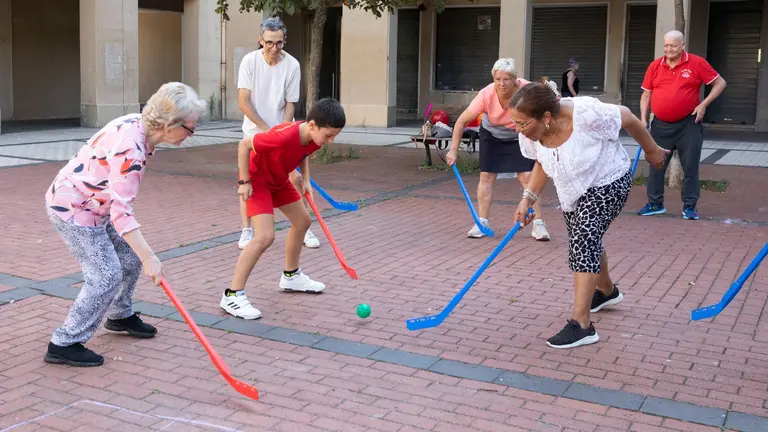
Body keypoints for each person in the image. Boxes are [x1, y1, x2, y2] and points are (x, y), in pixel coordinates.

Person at [43, 82, 207, 367]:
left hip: (96, 205)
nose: (192, 134)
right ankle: (64, 342)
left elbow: (118, 208)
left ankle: (119, 315)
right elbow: (122, 214)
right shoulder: (130, 148)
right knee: (105, 275)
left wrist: (141, 255)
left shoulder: (140, 127)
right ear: (169, 125)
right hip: (73, 209)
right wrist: (150, 257)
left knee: (128, 260)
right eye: (190, 128)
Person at [510, 78, 668, 349]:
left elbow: (629, 118)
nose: (518, 129)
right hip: (573, 189)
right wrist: (528, 198)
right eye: (515, 123)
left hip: (609, 180)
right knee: (587, 240)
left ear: (546, 117)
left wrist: (652, 151)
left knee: (584, 239)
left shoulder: (586, 115)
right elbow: (542, 162)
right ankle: (606, 291)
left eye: (522, 123)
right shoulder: (532, 134)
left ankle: (581, 325)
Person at [220, 98, 346, 320]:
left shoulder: (314, 136)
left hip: (279, 181)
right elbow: (244, 146)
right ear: (313, 125)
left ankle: (291, 275)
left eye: (334, 135)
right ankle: (232, 294)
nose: (330, 141)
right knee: (265, 236)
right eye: (329, 135)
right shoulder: (282, 136)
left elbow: (304, 153)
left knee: (303, 222)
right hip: (258, 182)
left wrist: (305, 178)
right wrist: (244, 182)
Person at [236, 16, 320, 249]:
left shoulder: (292, 64)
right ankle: (246, 230)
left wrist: (283, 131)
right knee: (249, 179)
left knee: (295, 177)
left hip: (283, 130)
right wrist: (266, 131)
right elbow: (243, 101)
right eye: (269, 42)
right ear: (260, 40)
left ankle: (303, 228)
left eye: (279, 43)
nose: (274, 48)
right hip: (255, 132)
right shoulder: (249, 62)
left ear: (285, 41)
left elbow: (290, 103)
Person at [447, 58, 551, 241]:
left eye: (506, 79)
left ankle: (538, 224)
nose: (501, 84)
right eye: (497, 79)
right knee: (486, 176)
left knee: (527, 177)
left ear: (515, 79)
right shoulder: (486, 94)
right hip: (492, 134)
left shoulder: (526, 90)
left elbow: (547, 111)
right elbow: (462, 121)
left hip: (519, 134)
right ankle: (482, 222)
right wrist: (453, 150)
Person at [637, 30, 726, 220]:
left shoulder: (697, 63)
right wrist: (643, 120)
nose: (669, 49)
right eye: (666, 45)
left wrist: (703, 105)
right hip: (660, 125)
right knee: (656, 164)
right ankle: (655, 204)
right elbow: (646, 94)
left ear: (683, 45)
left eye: (673, 45)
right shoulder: (655, 66)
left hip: (688, 124)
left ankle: (690, 207)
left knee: (690, 167)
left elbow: (720, 83)